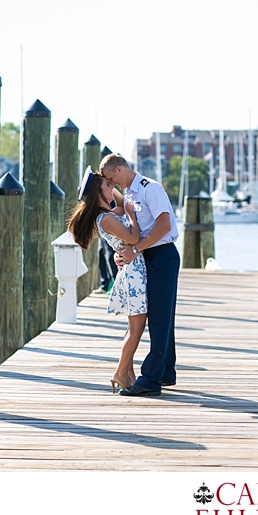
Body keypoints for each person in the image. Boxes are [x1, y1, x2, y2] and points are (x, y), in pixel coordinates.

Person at [100, 154, 180, 397]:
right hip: (149, 255)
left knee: (158, 317)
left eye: (112, 178)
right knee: (162, 316)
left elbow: (164, 225)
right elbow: (123, 224)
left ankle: (150, 380)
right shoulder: (131, 193)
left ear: (121, 169)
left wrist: (135, 249)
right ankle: (165, 371)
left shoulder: (149, 189)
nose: (112, 184)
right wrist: (121, 253)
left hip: (162, 254)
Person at [67, 167, 146, 393]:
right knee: (136, 329)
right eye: (107, 185)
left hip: (132, 270)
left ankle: (128, 374)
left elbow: (119, 200)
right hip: (133, 274)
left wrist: (108, 183)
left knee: (134, 327)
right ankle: (120, 373)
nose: (113, 187)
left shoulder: (110, 214)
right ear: (97, 194)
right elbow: (133, 237)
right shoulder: (107, 218)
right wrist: (131, 214)